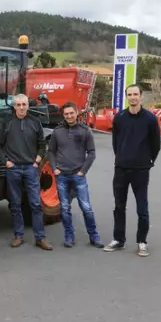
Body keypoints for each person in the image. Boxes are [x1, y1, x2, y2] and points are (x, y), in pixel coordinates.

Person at [103, 84, 161, 257]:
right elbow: (115, 142)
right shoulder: (119, 118)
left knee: (142, 207)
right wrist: (121, 156)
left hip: (141, 170)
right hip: (121, 169)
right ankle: (118, 239)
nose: (133, 97)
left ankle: (142, 241)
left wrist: (148, 161)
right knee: (119, 206)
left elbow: (155, 144)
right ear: (126, 97)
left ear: (141, 96)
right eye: (130, 94)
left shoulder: (150, 119)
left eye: (136, 94)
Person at [0, 93, 52, 250]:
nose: (21, 107)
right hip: (13, 169)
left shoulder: (35, 122)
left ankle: (40, 238)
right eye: (18, 105)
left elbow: (42, 144)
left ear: (28, 106)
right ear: (14, 107)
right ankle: (18, 236)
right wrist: (5, 162)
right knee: (15, 204)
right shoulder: (7, 123)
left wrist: (37, 161)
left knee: (35, 204)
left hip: (30, 168)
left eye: (24, 104)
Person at [48, 101, 103, 248]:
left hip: (78, 176)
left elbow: (91, 153)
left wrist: (82, 171)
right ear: (63, 115)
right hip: (62, 176)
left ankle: (94, 236)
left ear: (77, 113)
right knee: (65, 208)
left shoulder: (85, 131)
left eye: (71, 113)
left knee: (86, 208)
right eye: (66, 114)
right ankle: (69, 236)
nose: (69, 116)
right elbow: (51, 152)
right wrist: (54, 169)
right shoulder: (57, 132)